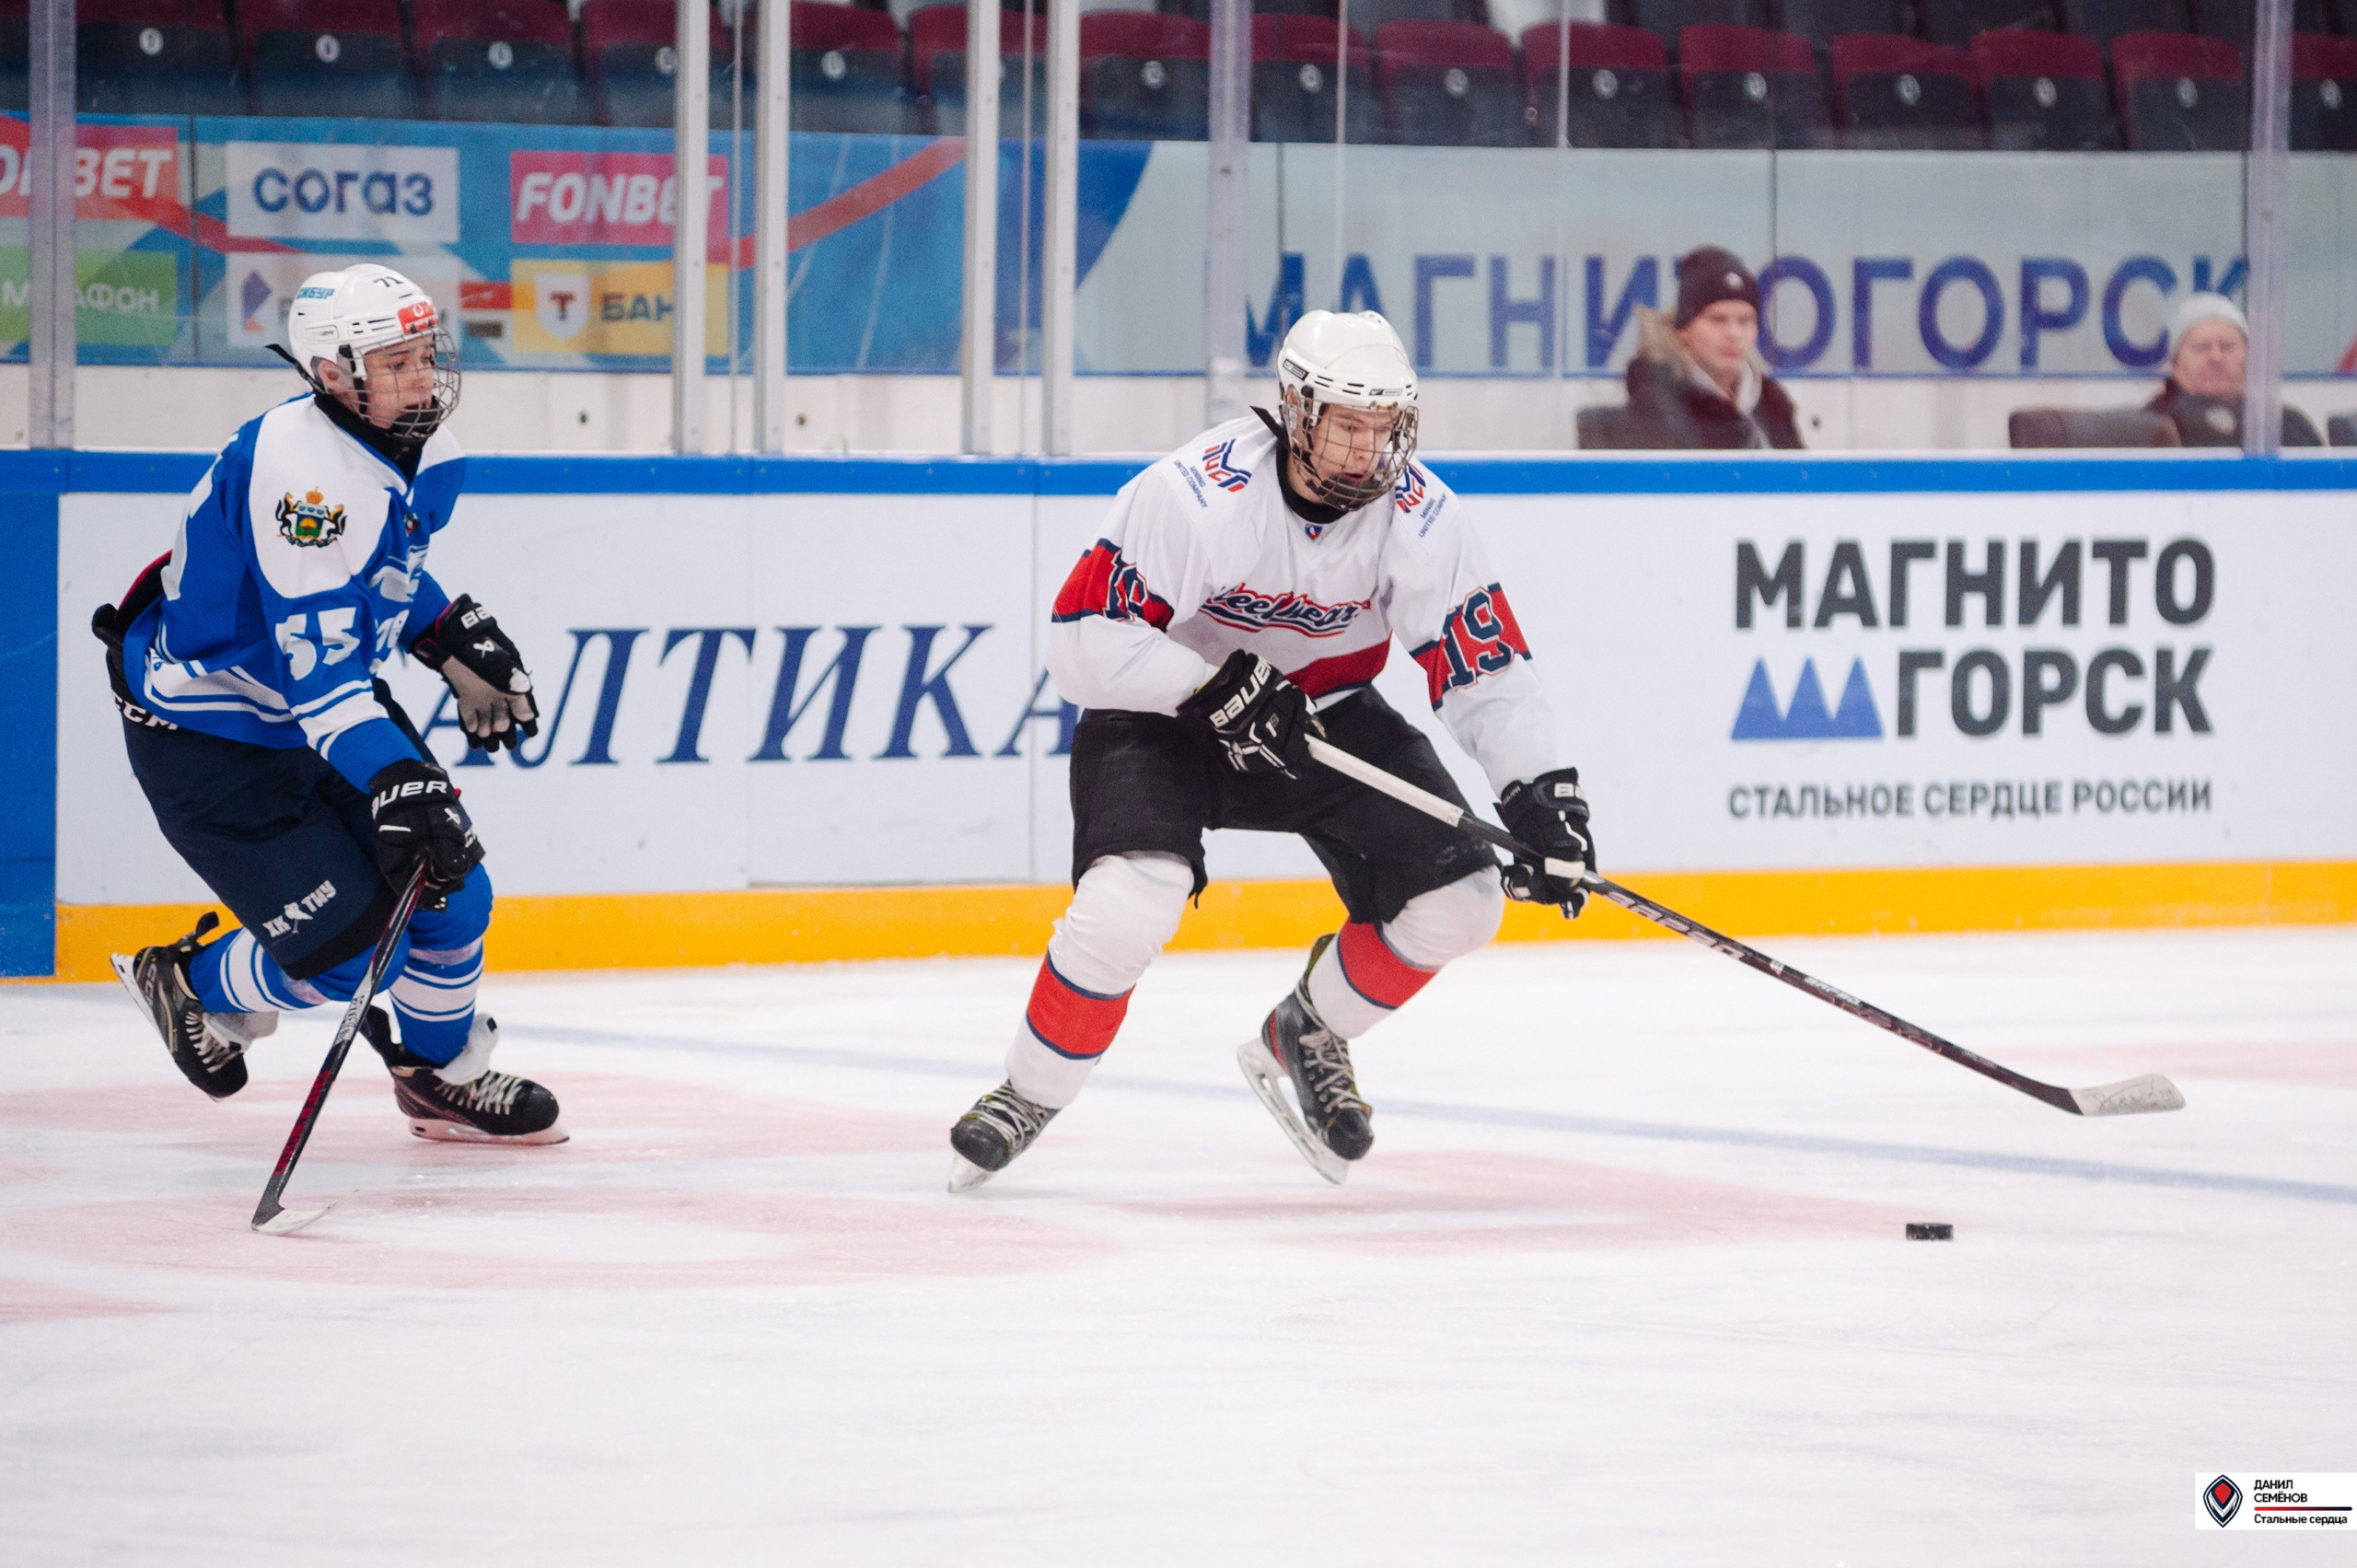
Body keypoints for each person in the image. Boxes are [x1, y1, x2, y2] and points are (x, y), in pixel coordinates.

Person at [946, 310, 1596, 1189]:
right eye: (1347, 427)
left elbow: (1485, 666)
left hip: (1322, 715)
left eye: (1385, 428)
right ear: (1296, 412)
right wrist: (1211, 686)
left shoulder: (1423, 517)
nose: (1369, 452)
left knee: (1467, 898)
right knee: (1131, 902)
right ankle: (1029, 1092)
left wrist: (1537, 792)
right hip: (1164, 715)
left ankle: (1309, 1028)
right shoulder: (1194, 496)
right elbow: (1081, 641)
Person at [96, 264, 564, 1144]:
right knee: (354, 955)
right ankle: (193, 983)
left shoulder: (420, 447)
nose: (421, 378)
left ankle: (437, 1075)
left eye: (423, 353)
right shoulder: (303, 485)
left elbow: (382, 576)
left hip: (313, 711)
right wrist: (397, 775)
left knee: (453, 893)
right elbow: (323, 684)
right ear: (331, 375)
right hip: (211, 736)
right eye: (393, 362)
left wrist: (445, 633)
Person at [1619, 246, 1804, 450]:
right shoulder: (1657, 403)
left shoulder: (1772, 406)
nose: (1734, 333)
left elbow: (1805, 480)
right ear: (1684, 329)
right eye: (1718, 320)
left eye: (1745, 321)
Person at [2145, 291, 2321, 448]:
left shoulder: (2285, 424)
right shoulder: (2149, 426)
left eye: (2228, 347)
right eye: (2201, 348)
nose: (2216, 357)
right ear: (2175, 364)